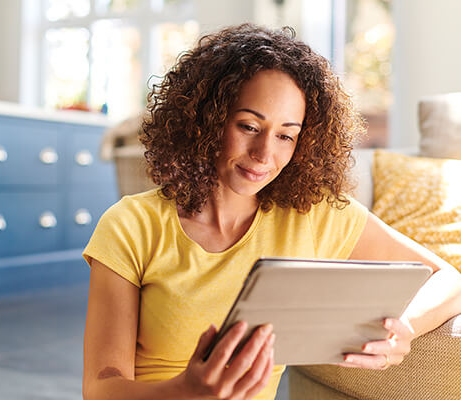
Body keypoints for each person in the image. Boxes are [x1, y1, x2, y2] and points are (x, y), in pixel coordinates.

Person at [82, 23, 461, 400]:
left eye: (285, 135)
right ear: (206, 119)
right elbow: (99, 389)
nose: (264, 155)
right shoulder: (130, 225)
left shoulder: (312, 215)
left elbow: (448, 280)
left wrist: (403, 328)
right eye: (249, 126)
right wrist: (187, 391)